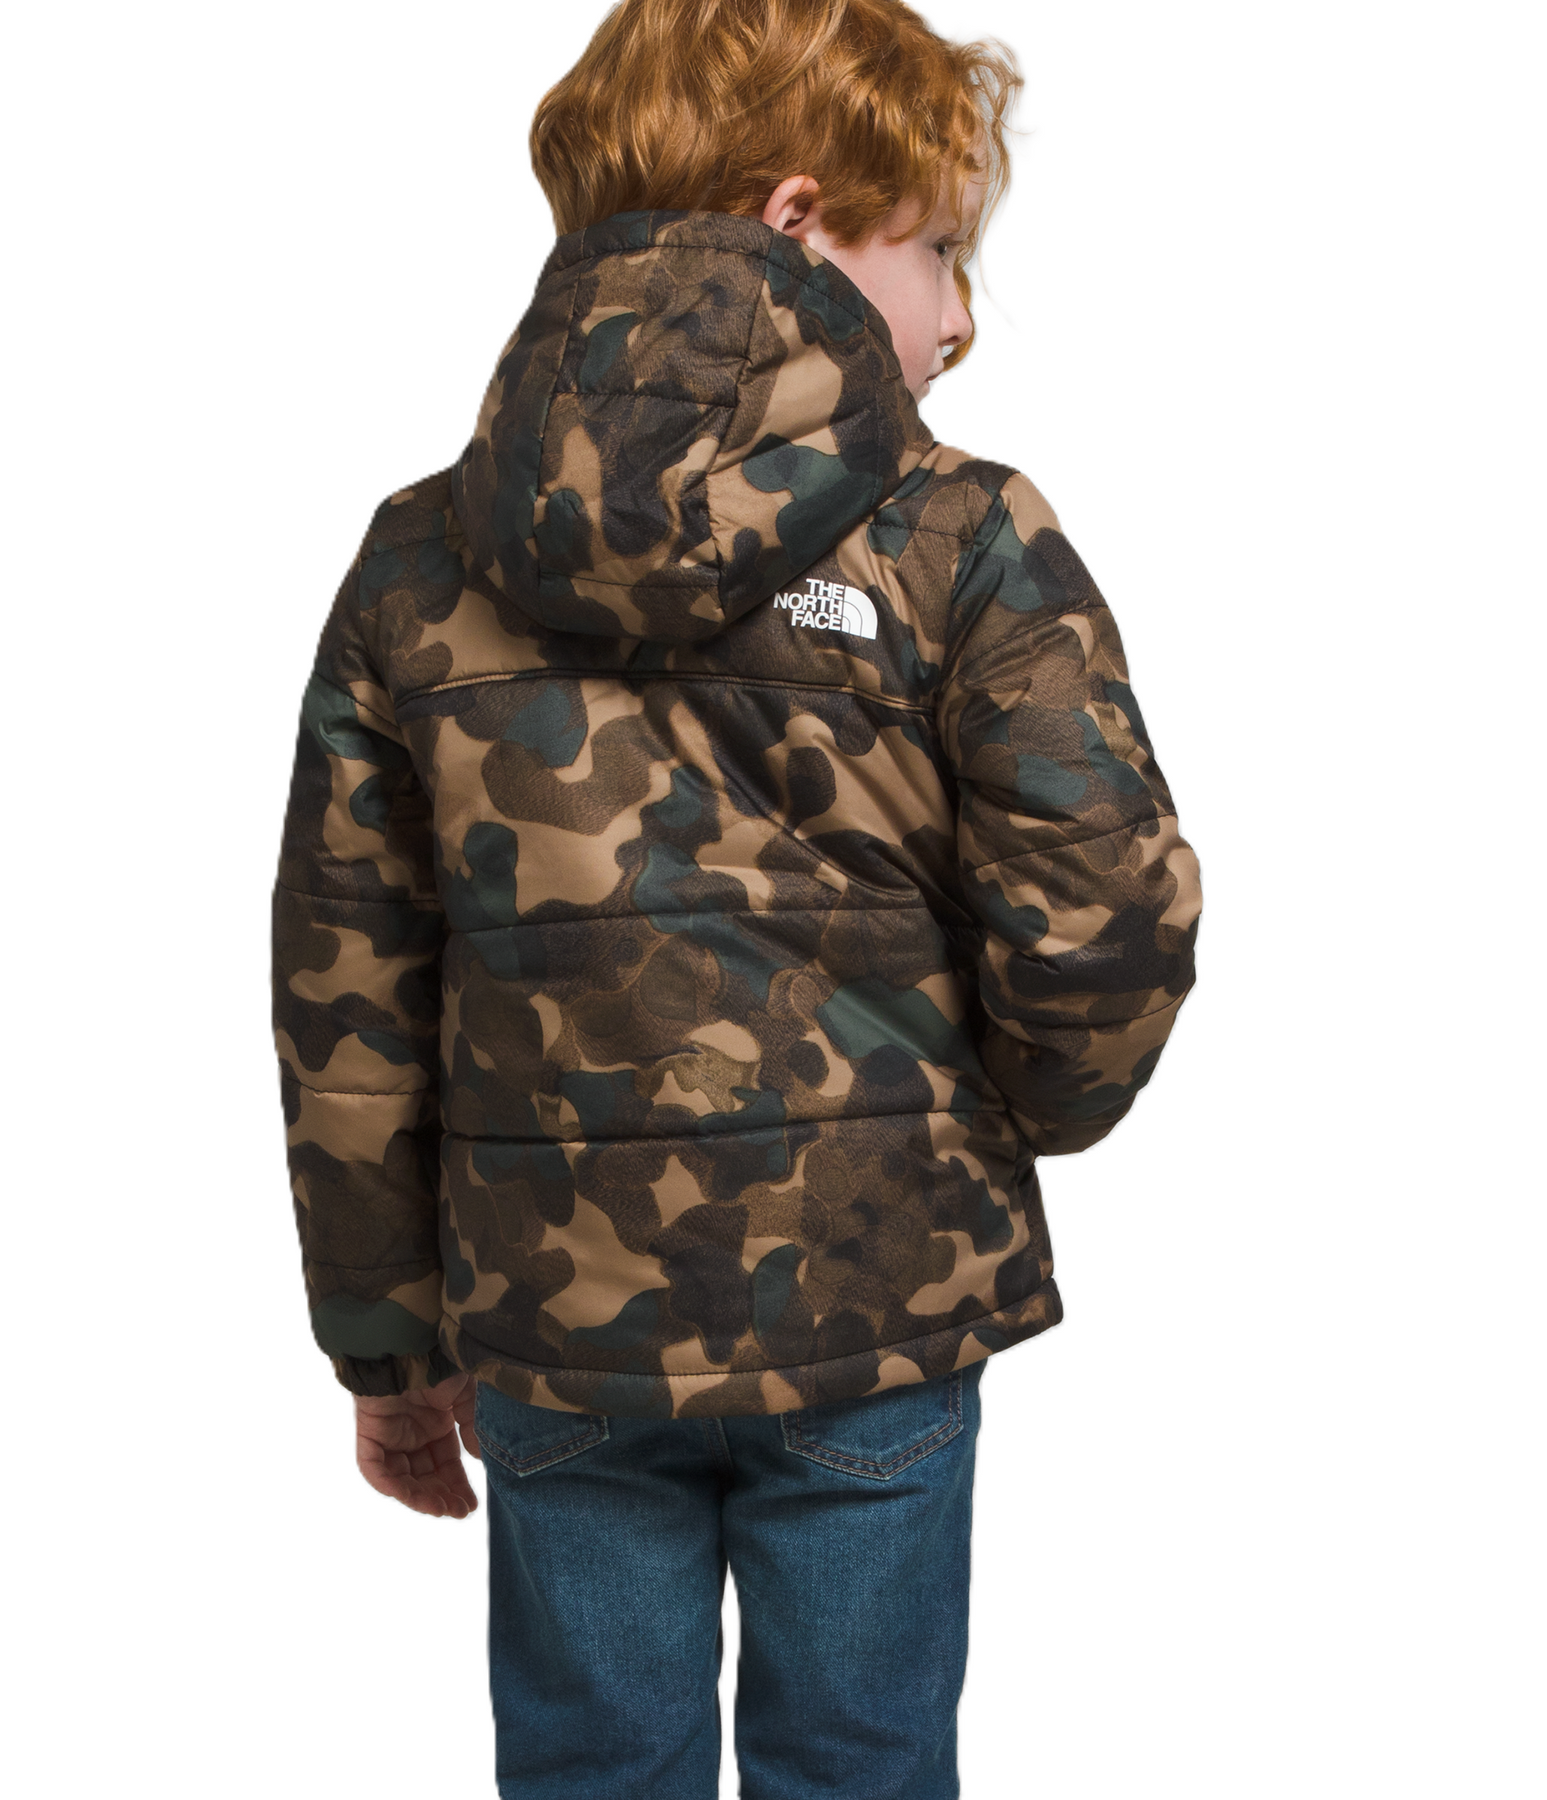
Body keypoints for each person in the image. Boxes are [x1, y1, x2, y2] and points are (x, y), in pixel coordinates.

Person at [270, 1, 1201, 1793]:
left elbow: (348, 987)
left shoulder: (417, 556)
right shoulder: (964, 536)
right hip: (875, 1301)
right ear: (798, 221)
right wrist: (999, 1123)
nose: (957, 315)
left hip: (556, 1324)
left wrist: (386, 1342)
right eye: (936, 248)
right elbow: (1102, 912)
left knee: (588, 1767)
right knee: (858, 1764)